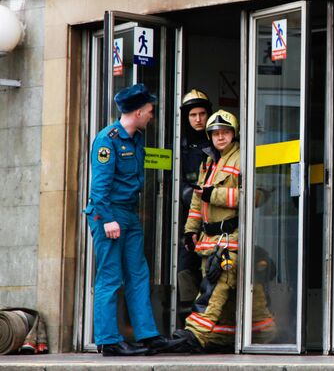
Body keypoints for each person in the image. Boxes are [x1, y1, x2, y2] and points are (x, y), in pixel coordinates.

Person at [84, 83, 183, 356]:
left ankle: (148, 335)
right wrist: (107, 219)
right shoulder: (108, 140)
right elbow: (99, 188)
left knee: (138, 274)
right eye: (150, 111)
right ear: (138, 112)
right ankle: (108, 341)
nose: (152, 115)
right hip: (109, 214)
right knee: (110, 277)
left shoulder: (137, 138)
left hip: (128, 212)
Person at [173, 110, 276, 353]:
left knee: (214, 286)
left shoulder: (243, 158)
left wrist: (214, 194)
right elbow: (198, 201)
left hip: (231, 237)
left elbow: (256, 196)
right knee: (245, 293)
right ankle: (262, 333)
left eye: (225, 132)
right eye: (216, 133)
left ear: (234, 134)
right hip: (209, 239)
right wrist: (190, 231)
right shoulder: (208, 161)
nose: (220, 137)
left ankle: (195, 334)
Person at [177, 89, 213, 323]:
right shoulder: (179, 146)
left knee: (211, 269)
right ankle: (186, 321)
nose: (198, 119)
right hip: (187, 218)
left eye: (202, 114)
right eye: (193, 115)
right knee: (184, 267)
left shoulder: (219, 142)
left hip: (213, 218)